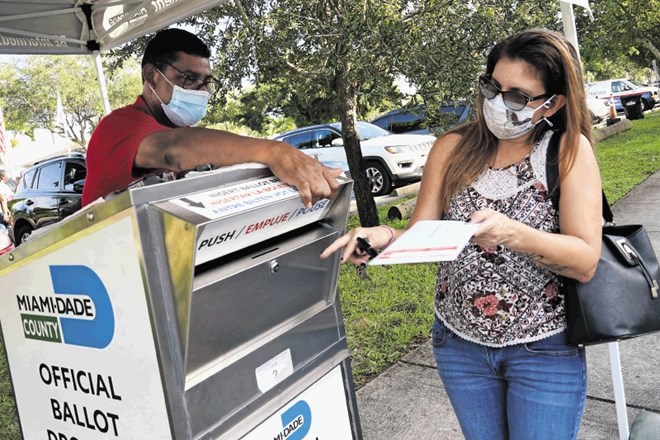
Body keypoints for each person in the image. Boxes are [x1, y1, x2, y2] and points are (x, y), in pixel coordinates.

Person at [321, 28, 602, 440]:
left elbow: (585, 261)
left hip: (543, 349)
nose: (497, 102)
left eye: (517, 97)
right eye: (492, 86)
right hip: (460, 345)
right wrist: (383, 236)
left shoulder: (567, 150)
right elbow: (425, 236)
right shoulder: (452, 148)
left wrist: (510, 233)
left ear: (552, 103)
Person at [82, 28, 341, 207]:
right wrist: (274, 152)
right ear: (152, 76)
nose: (202, 91)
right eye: (188, 78)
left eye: (206, 82)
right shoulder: (117, 127)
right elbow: (172, 150)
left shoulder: (186, 137)